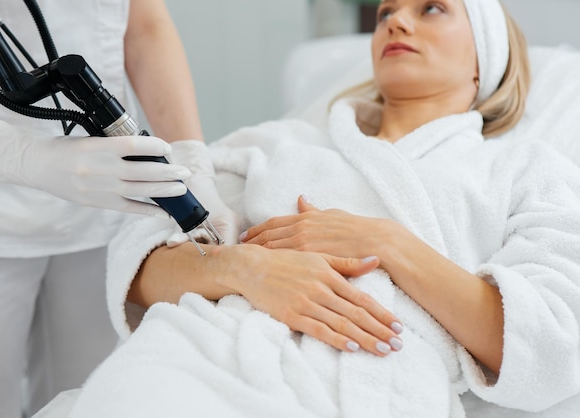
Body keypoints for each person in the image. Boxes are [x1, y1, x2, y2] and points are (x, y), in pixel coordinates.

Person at [69, 0, 580, 417]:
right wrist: (242, 268)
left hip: (375, 384)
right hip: (202, 352)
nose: (396, 20)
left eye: (431, 9)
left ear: (485, 57)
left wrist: (387, 242)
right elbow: (140, 264)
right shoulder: (275, 145)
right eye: (386, 13)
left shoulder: (530, 169)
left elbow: (548, 348)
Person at [0, 0, 237, 417]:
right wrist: (20, 156)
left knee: (91, 397)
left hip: (108, 208)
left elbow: (144, 26)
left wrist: (192, 159)